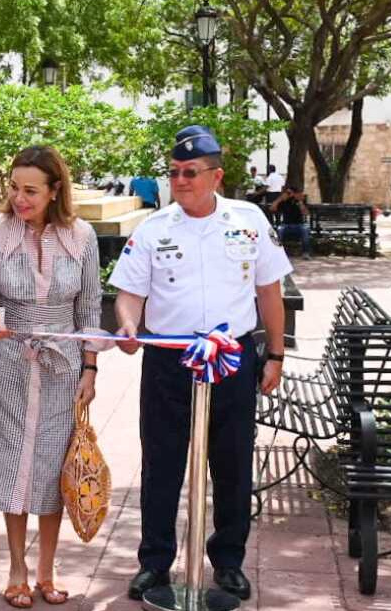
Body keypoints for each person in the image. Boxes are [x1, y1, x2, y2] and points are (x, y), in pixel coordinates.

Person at [111, 125, 290, 603]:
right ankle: (154, 564)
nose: (180, 181)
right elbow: (129, 294)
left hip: (231, 360)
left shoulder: (249, 220)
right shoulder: (154, 228)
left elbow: (269, 291)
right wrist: (128, 325)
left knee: (232, 464)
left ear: (216, 176)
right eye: (174, 172)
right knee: (161, 464)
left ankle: (228, 563)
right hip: (169, 362)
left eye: (190, 172)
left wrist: (275, 354)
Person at [0, 145, 104, 609]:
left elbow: (89, 308)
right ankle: (16, 569)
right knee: (14, 464)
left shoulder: (82, 236)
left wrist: (90, 367)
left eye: (30, 190)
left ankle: (47, 570)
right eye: (14, 188)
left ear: (54, 190)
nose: (19, 198)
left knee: (52, 466)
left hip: (64, 364)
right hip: (8, 362)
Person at [269, 183, 312, 259]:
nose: (289, 195)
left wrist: (300, 202)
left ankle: (306, 253)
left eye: (290, 193)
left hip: (299, 224)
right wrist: (280, 199)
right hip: (286, 225)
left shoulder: (300, 200)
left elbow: (306, 213)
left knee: (305, 230)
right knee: (279, 230)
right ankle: (277, 252)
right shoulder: (284, 201)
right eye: (287, 193)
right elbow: (271, 209)